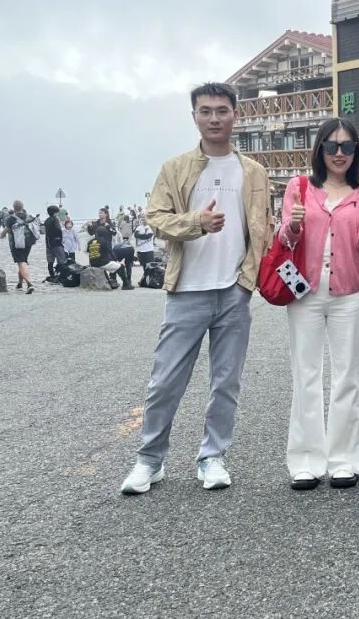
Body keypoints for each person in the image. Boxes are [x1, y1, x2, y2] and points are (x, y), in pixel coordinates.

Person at [121, 82, 272, 495]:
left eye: (222, 110)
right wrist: (195, 223)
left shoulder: (254, 172)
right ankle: (150, 460)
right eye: (205, 111)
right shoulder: (175, 168)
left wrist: (249, 278)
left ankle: (212, 456)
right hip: (186, 289)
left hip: (234, 289)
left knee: (226, 382)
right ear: (194, 117)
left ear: (235, 114)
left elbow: (262, 227)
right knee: (165, 381)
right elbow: (155, 218)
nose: (214, 118)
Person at [279, 118, 359, 491]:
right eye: (332, 146)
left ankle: (344, 460)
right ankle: (305, 460)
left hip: (347, 292)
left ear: (356, 152)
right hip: (303, 291)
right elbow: (285, 239)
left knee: (346, 376)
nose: (340, 153)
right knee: (305, 375)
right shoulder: (299, 187)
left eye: (347, 146)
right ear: (320, 149)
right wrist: (292, 226)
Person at [0, 200, 38, 294]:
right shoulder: (28, 216)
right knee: (23, 261)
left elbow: (6, 231)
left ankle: (29, 284)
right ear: (22, 207)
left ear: (14, 208)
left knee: (21, 263)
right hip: (28, 242)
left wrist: (2, 235)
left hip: (17, 244)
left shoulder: (10, 219)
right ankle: (20, 283)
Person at [43, 205, 67, 283]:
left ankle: (52, 275)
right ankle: (62, 276)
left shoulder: (46, 221)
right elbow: (58, 230)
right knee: (61, 260)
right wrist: (60, 239)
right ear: (55, 213)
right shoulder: (55, 220)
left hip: (48, 243)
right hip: (56, 243)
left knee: (50, 261)